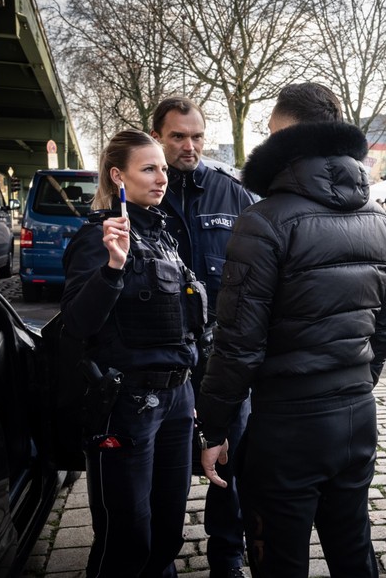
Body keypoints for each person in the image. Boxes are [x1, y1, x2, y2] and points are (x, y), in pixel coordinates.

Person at [196, 83, 386, 577]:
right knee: (354, 550)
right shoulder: (379, 220)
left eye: (270, 132)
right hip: (355, 413)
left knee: (278, 562)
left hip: (287, 424)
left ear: (288, 133)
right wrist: (355, 380)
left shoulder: (263, 220)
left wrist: (215, 427)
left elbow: (239, 342)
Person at [61, 130, 203, 576]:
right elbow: (77, 324)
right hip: (128, 405)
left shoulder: (164, 236)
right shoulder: (98, 238)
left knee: (168, 530)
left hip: (178, 403)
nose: (162, 177)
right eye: (149, 168)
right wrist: (112, 267)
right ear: (118, 175)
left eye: (162, 168)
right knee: (127, 536)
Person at [150, 96, 253, 577]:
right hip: (161, 352)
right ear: (157, 137)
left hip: (223, 353)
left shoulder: (232, 193)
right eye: (177, 136)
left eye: (196, 136)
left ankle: (227, 553)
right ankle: (158, 554)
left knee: (229, 458)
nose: (189, 146)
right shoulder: (142, 192)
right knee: (161, 462)